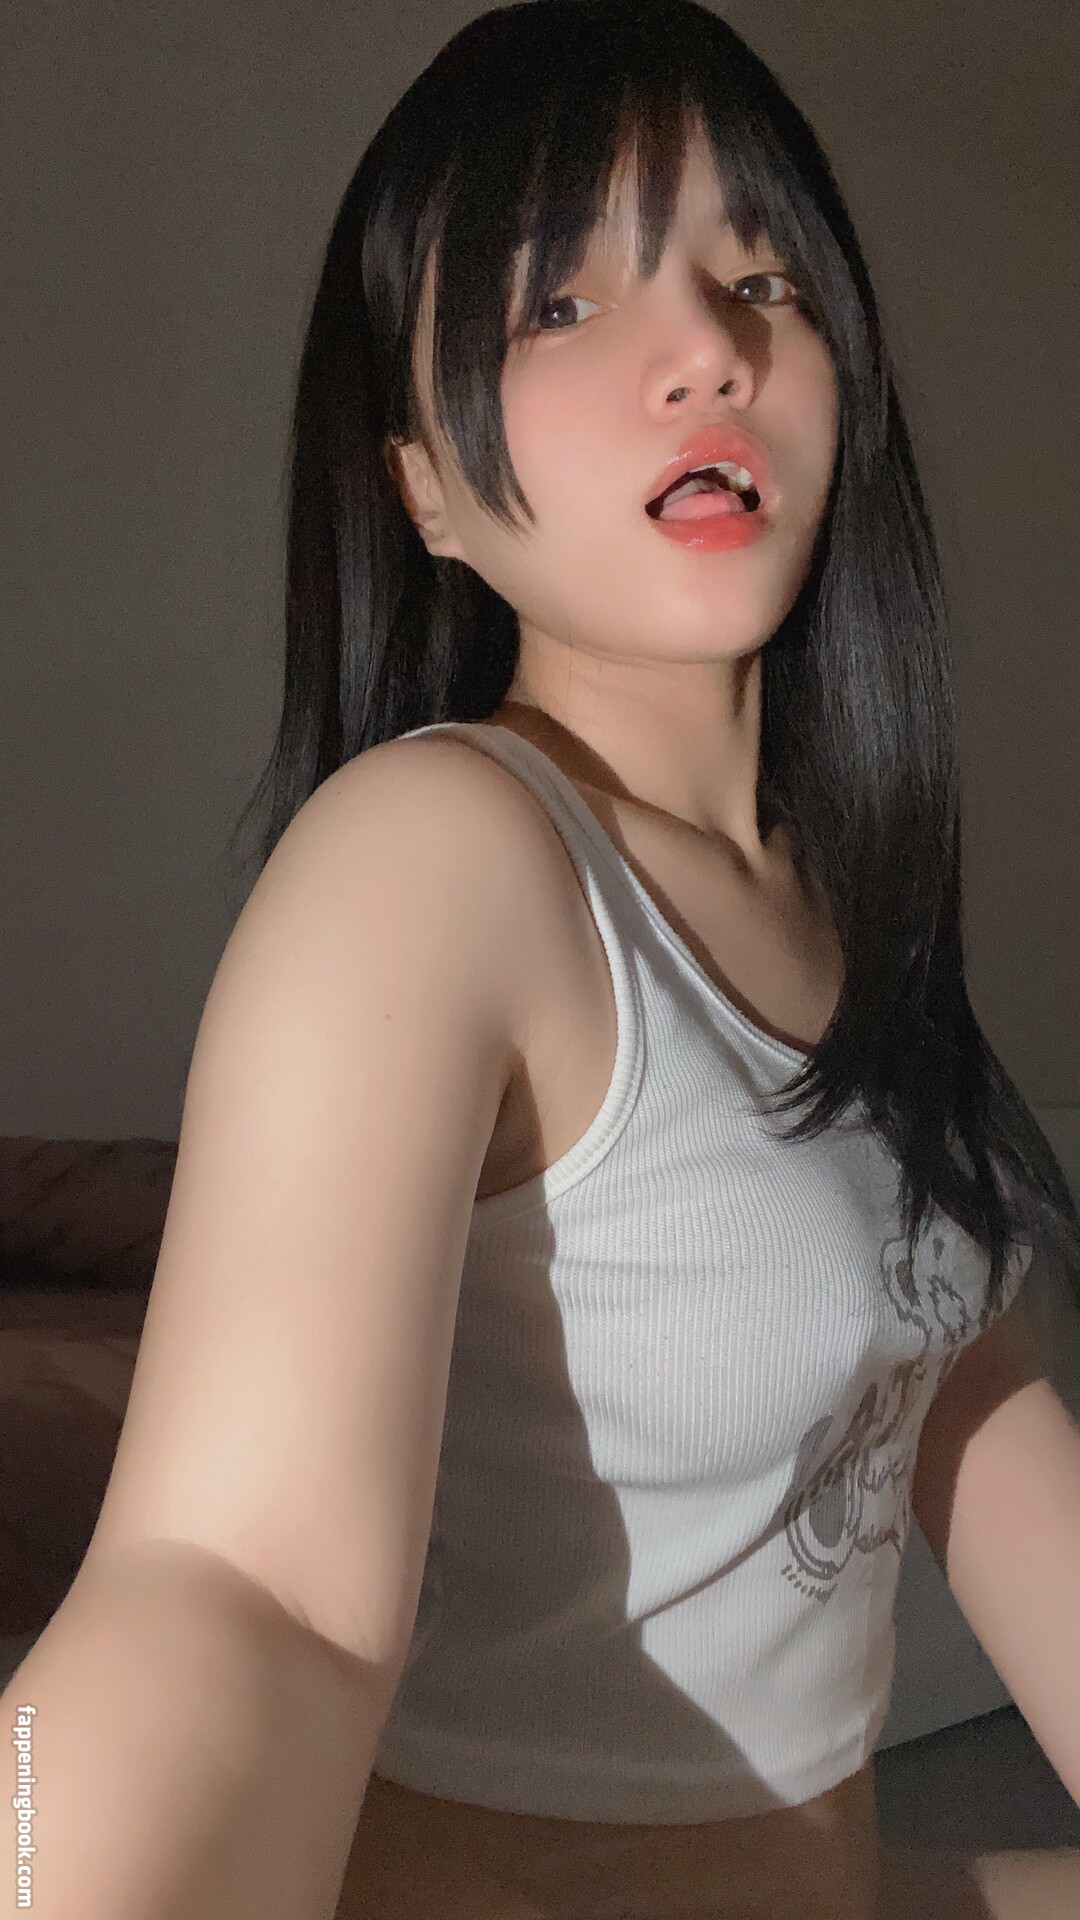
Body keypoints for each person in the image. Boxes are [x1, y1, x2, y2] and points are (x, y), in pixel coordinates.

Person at [3, 3, 1079, 1916]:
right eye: (560, 303)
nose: (710, 346)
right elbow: (240, 1589)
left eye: (762, 278)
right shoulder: (441, 856)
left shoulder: (856, 902)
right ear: (422, 485)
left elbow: (982, 1428)